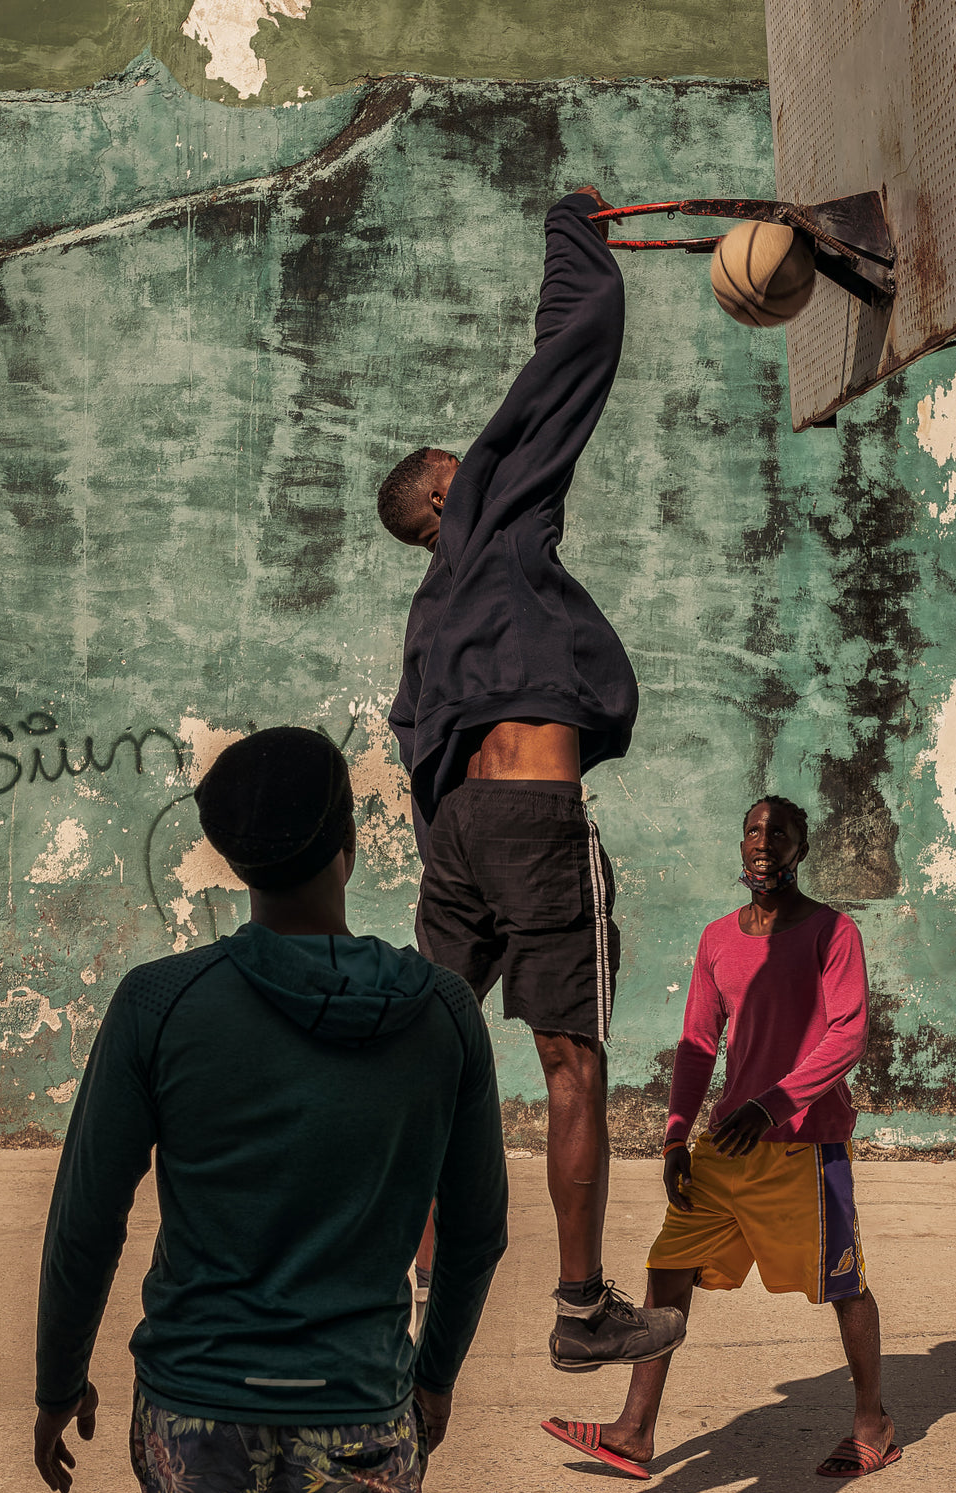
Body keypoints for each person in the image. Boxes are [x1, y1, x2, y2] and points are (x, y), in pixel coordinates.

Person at [33, 727, 508, 1493]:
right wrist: (433, 1378)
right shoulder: (443, 1013)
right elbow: (477, 1231)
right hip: (359, 1417)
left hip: (196, 1420)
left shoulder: (158, 1003)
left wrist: (59, 1380)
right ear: (349, 842)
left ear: (233, 861)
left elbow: (86, 1219)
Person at [378, 185, 683, 1373]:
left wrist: (454, 851)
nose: (483, 460)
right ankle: (580, 1307)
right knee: (571, 1064)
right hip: (529, 821)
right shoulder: (494, 521)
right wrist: (572, 232)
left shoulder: (430, 615)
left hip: (455, 832)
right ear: (444, 494)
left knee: (422, 1058)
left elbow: (415, 742)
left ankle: (398, 1295)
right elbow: (570, 355)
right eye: (464, 464)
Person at [542, 795, 898, 1481]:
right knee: (668, 1267)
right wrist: (675, 1138)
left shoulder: (833, 932)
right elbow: (698, 1044)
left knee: (844, 1283)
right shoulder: (716, 939)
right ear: (741, 846)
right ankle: (634, 1431)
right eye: (753, 830)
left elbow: (848, 1034)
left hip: (805, 1147)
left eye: (779, 832)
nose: (764, 841)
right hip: (726, 1146)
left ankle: (873, 1422)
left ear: (800, 848)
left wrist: (774, 1105)